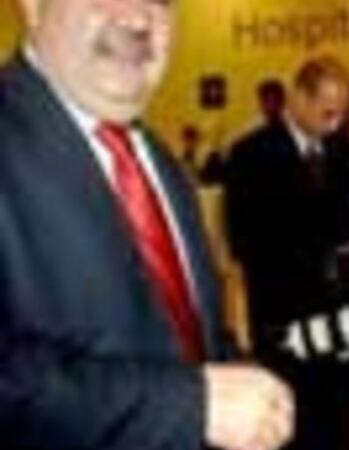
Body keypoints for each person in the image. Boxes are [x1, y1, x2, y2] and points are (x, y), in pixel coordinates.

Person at [0, 1, 294, 449]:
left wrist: (240, 378)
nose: (138, 19)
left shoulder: (161, 163)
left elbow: (192, 334)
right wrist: (191, 406)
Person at [224, 55, 349, 450]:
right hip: (285, 323)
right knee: (291, 430)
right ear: (298, 98)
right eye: (327, 112)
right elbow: (244, 242)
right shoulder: (250, 155)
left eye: (341, 114)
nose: (335, 124)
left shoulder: (346, 153)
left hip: (343, 325)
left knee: (340, 429)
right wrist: (317, 248)